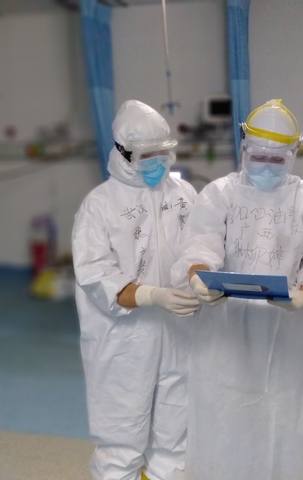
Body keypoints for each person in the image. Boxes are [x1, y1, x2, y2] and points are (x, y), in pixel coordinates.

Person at [171, 99, 303, 480]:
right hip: (224, 331)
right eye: (258, 157)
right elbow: (200, 245)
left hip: (286, 331)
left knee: (286, 420)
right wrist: (199, 278)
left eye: (276, 160)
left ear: (293, 155)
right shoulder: (220, 194)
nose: (266, 166)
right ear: (244, 147)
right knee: (223, 417)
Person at [72, 99, 199, 480]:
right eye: (147, 156)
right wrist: (150, 295)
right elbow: (94, 274)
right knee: (121, 441)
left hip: (180, 335)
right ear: (124, 153)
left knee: (176, 439)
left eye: (163, 153)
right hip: (124, 342)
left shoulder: (183, 194)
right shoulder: (99, 205)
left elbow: (202, 248)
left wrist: (202, 280)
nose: (158, 163)